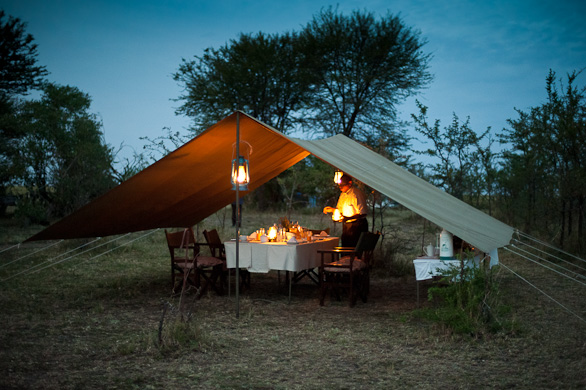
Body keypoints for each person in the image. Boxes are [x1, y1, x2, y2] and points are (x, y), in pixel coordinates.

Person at [323, 174, 368, 247]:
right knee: (345, 245)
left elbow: (362, 213)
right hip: (347, 225)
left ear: (350, 183)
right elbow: (340, 210)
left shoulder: (356, 194)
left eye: (342, 185)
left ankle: (354, 258)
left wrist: (347, 218)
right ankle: (345, 258)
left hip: (358, 226)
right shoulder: (343, 194)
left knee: (354, 247)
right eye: (339, 185)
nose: (340, 187)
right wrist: (332, 210)